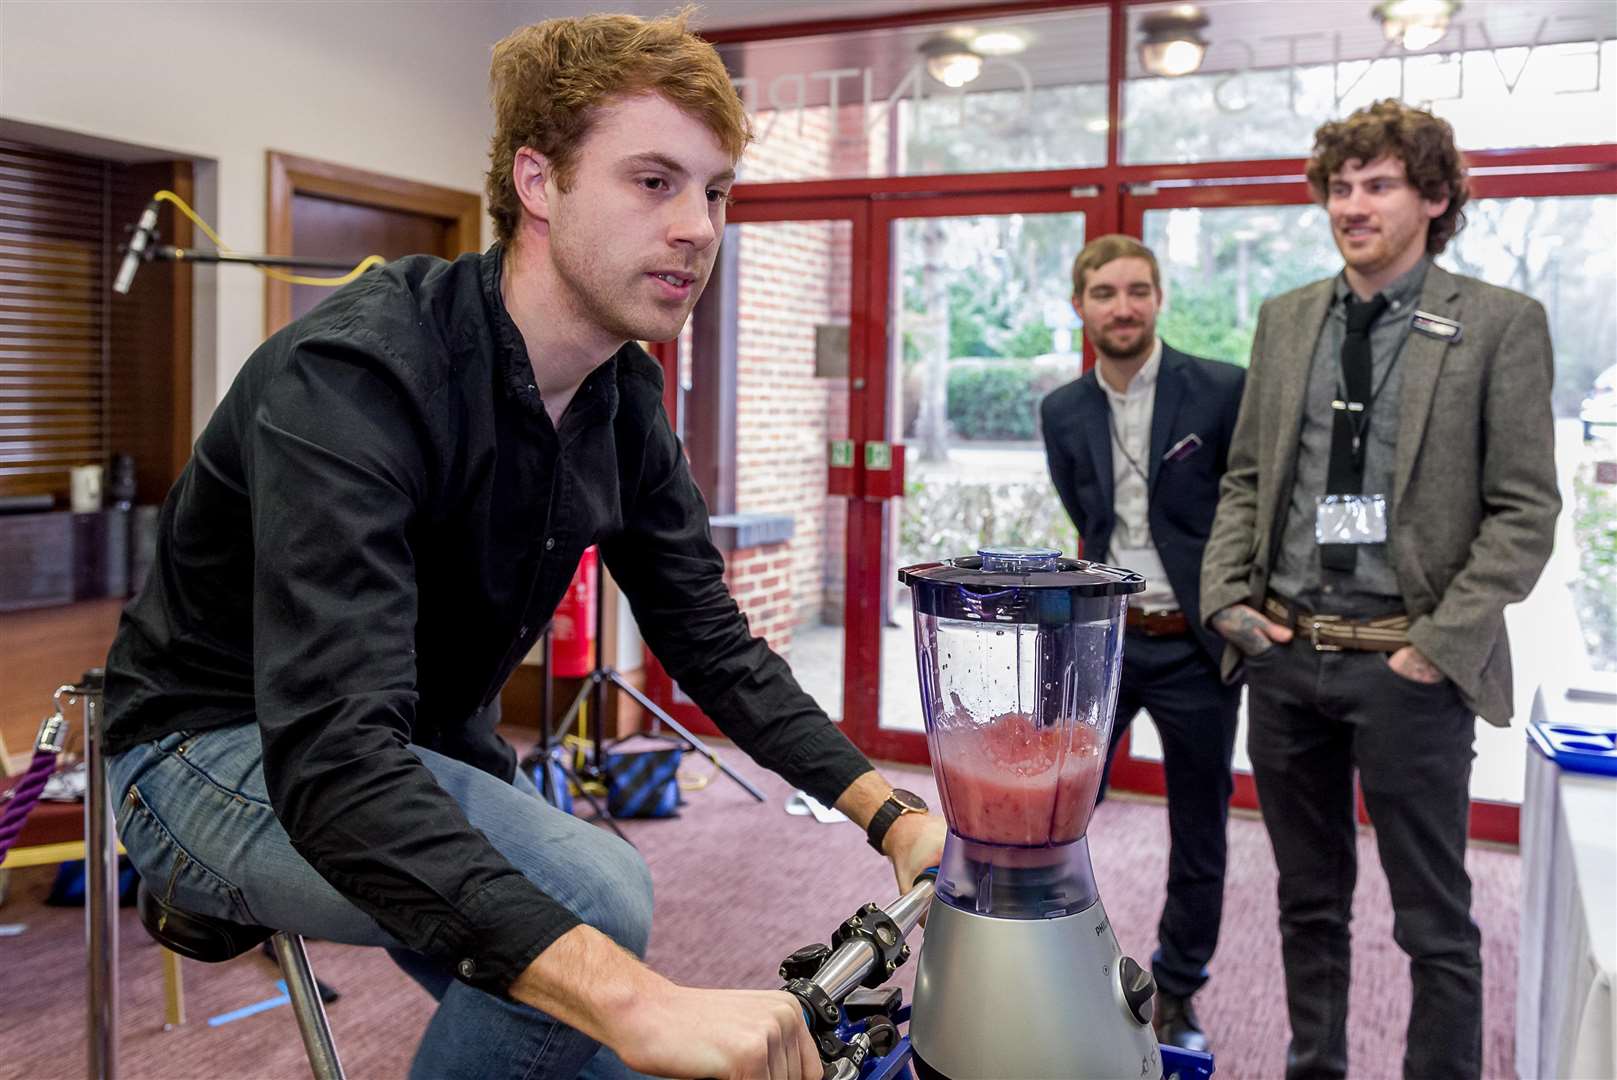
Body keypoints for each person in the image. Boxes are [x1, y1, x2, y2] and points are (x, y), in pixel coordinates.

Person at [101, 13, 945, 1080]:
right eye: (653, 182)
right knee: (595, 899)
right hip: (214, 752)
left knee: (597, 1052)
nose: (698, 226)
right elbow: (329, 754)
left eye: (715, 190)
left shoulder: (623, 396)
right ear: (539, 184)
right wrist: (633, 997)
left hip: (411, 745)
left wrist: (890, 812)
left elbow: (708, 637)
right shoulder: (358, 373)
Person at [1200, 99, 1559, 1078]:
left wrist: (1432, 649)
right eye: (1340, 186)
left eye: (1380, 184)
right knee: (1306, 901)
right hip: (1285, 657)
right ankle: (1315, 1066)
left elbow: (1526, 512)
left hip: (1409, 668)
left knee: (1433, 921)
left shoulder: (1499, 326)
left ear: (1434, 198)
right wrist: (1230, 600)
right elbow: (1245, 479)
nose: (1352, 206)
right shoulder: (1286, 321)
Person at [1040, 235, 1246, 1053]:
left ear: (1158, 298)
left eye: (1136, 290)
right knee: (1056, 812)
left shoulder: (1220, 390)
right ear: (1079, 306)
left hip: (1195, 644)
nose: (1120, 307)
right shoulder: (1062, 409)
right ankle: (1049, 961)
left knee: (1201, 823)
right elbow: (1086, 518)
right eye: (1102, 293)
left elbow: (1244, 509)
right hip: (1101, 646)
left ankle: (1181, 986)